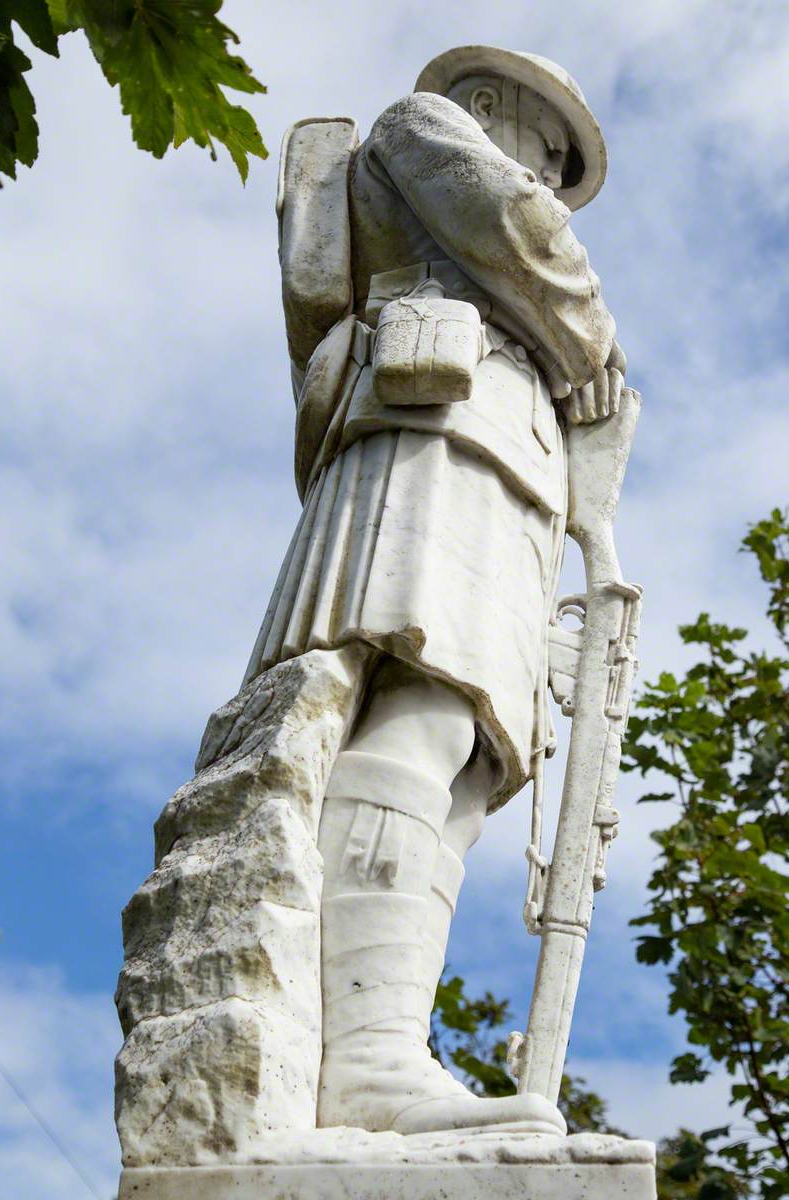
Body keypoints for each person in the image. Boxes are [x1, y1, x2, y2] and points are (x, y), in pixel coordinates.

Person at [243, 46, 624, 1137]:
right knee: (418, 713)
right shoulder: (420, 126)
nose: (550, 180)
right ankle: (357, 1060)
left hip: (499, 459)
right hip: (430, 433)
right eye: (546, 151)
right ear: (492, 104)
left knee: (459, 757)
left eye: (559, 164)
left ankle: (381, 1039)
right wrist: (588, 334)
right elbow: (513, 226)